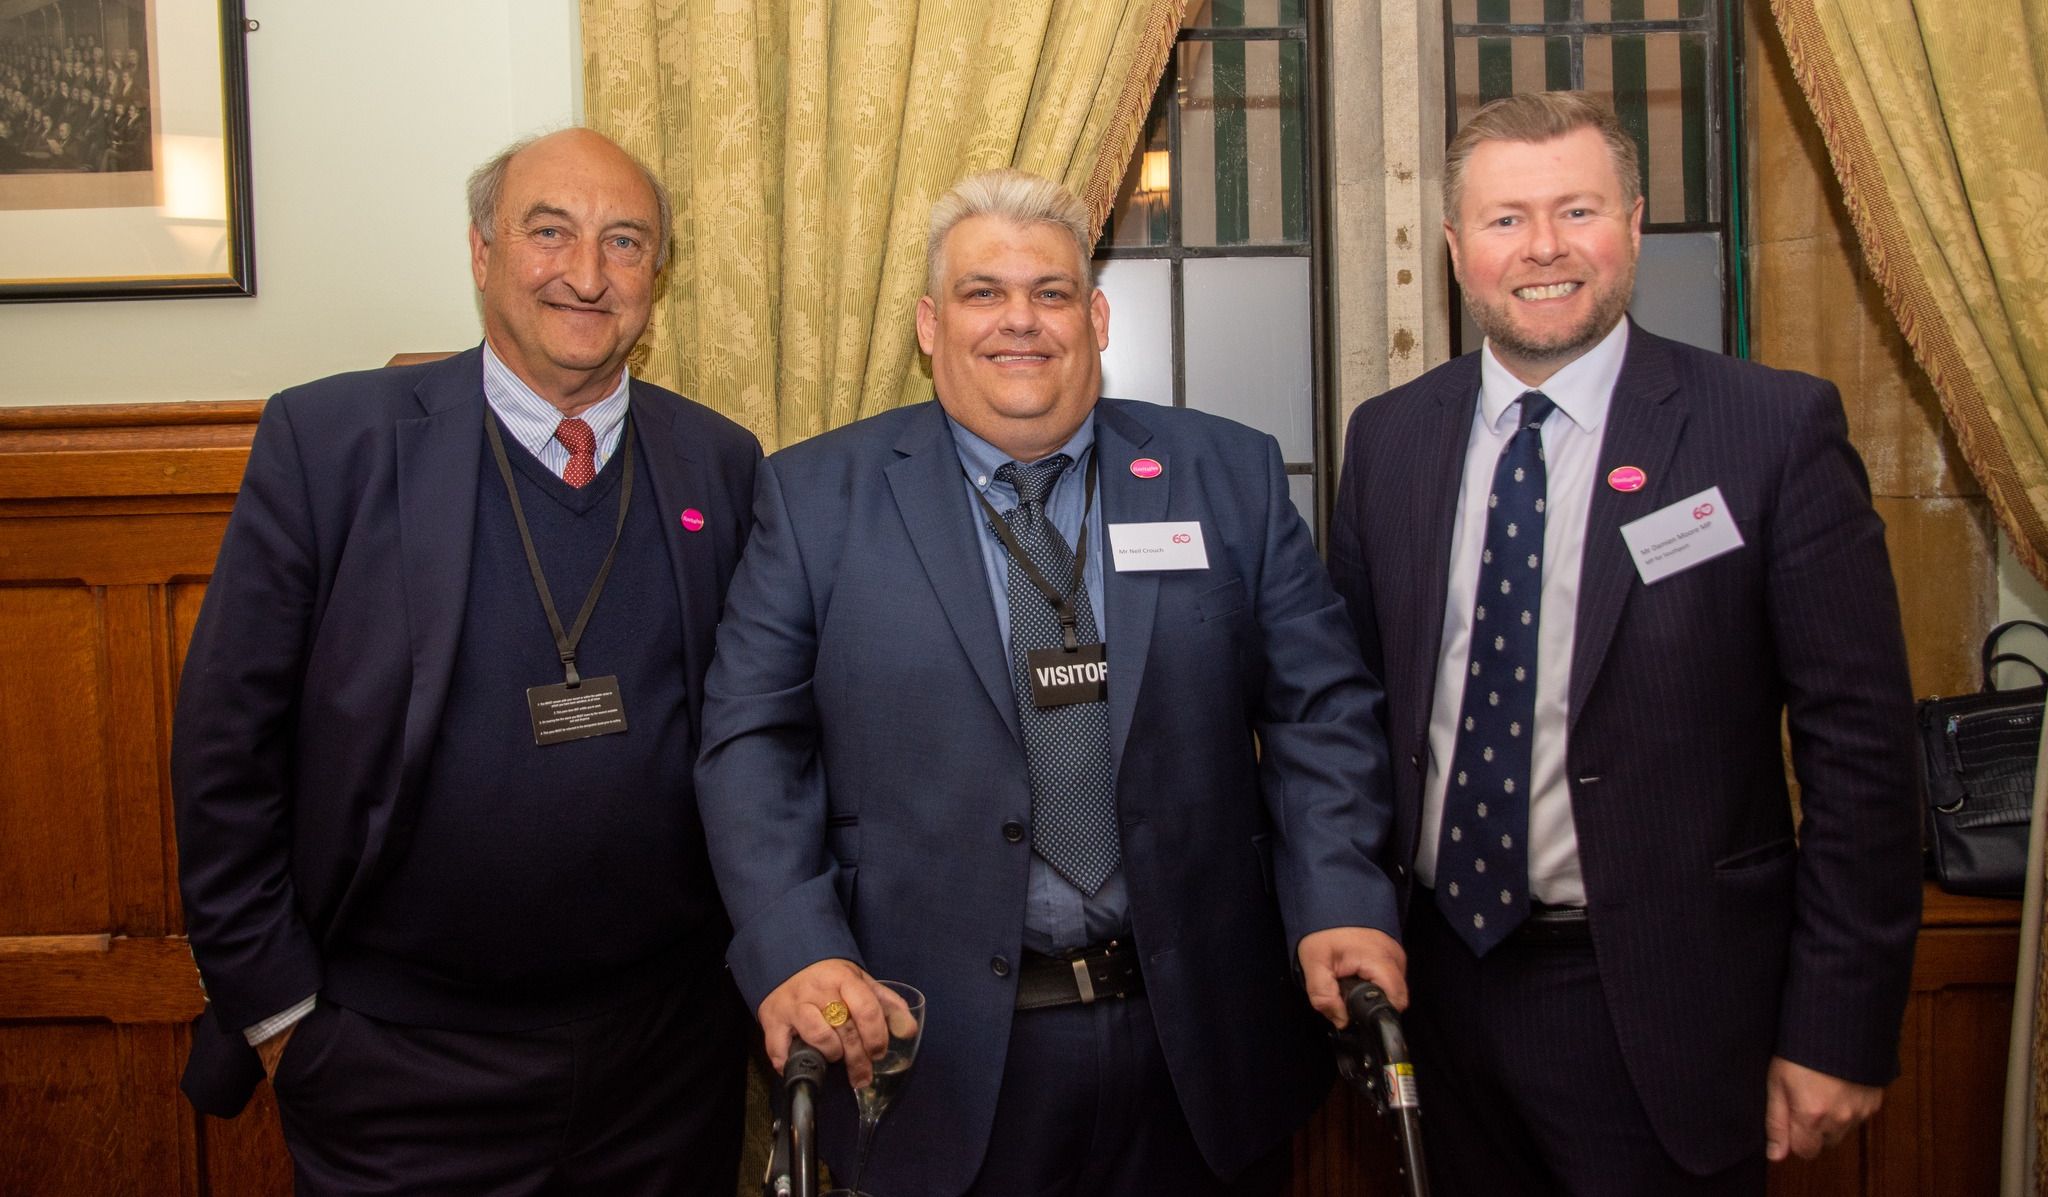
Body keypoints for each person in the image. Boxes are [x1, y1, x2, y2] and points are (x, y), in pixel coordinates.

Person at [696, 169, 1406, 1196]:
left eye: (1051, 292)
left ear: (1096, 315)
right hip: (931, 1053)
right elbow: (750, 749)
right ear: (929, 325)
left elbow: (1320, 712)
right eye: (983, 293)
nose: (1019, 321)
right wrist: (794, 948)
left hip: (1198, 1046)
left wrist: (1340, 896)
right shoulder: (812, 498)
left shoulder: (1226, 475)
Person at [1328, 90, 1921, 1195]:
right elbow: (1347, 721)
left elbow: (1862, 754)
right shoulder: (1391, 439)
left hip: (1661, 1005)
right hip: (1435, 1001)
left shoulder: (1768, 431)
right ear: (1456, 248)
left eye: (1576, 211)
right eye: (1504, 219)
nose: (1542, 248)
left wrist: (1838, 1025)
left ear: (1633, 226)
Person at [173, 128, 760, 1195]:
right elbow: (225, 748)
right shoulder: (332, 444)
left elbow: (761, 738)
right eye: (551, 233)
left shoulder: (721, 463)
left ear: (656, 279)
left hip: (665, 1068)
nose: (586, 274)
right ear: (482, 253)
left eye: (624, 242)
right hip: (396, 1067)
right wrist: (282, 1019)